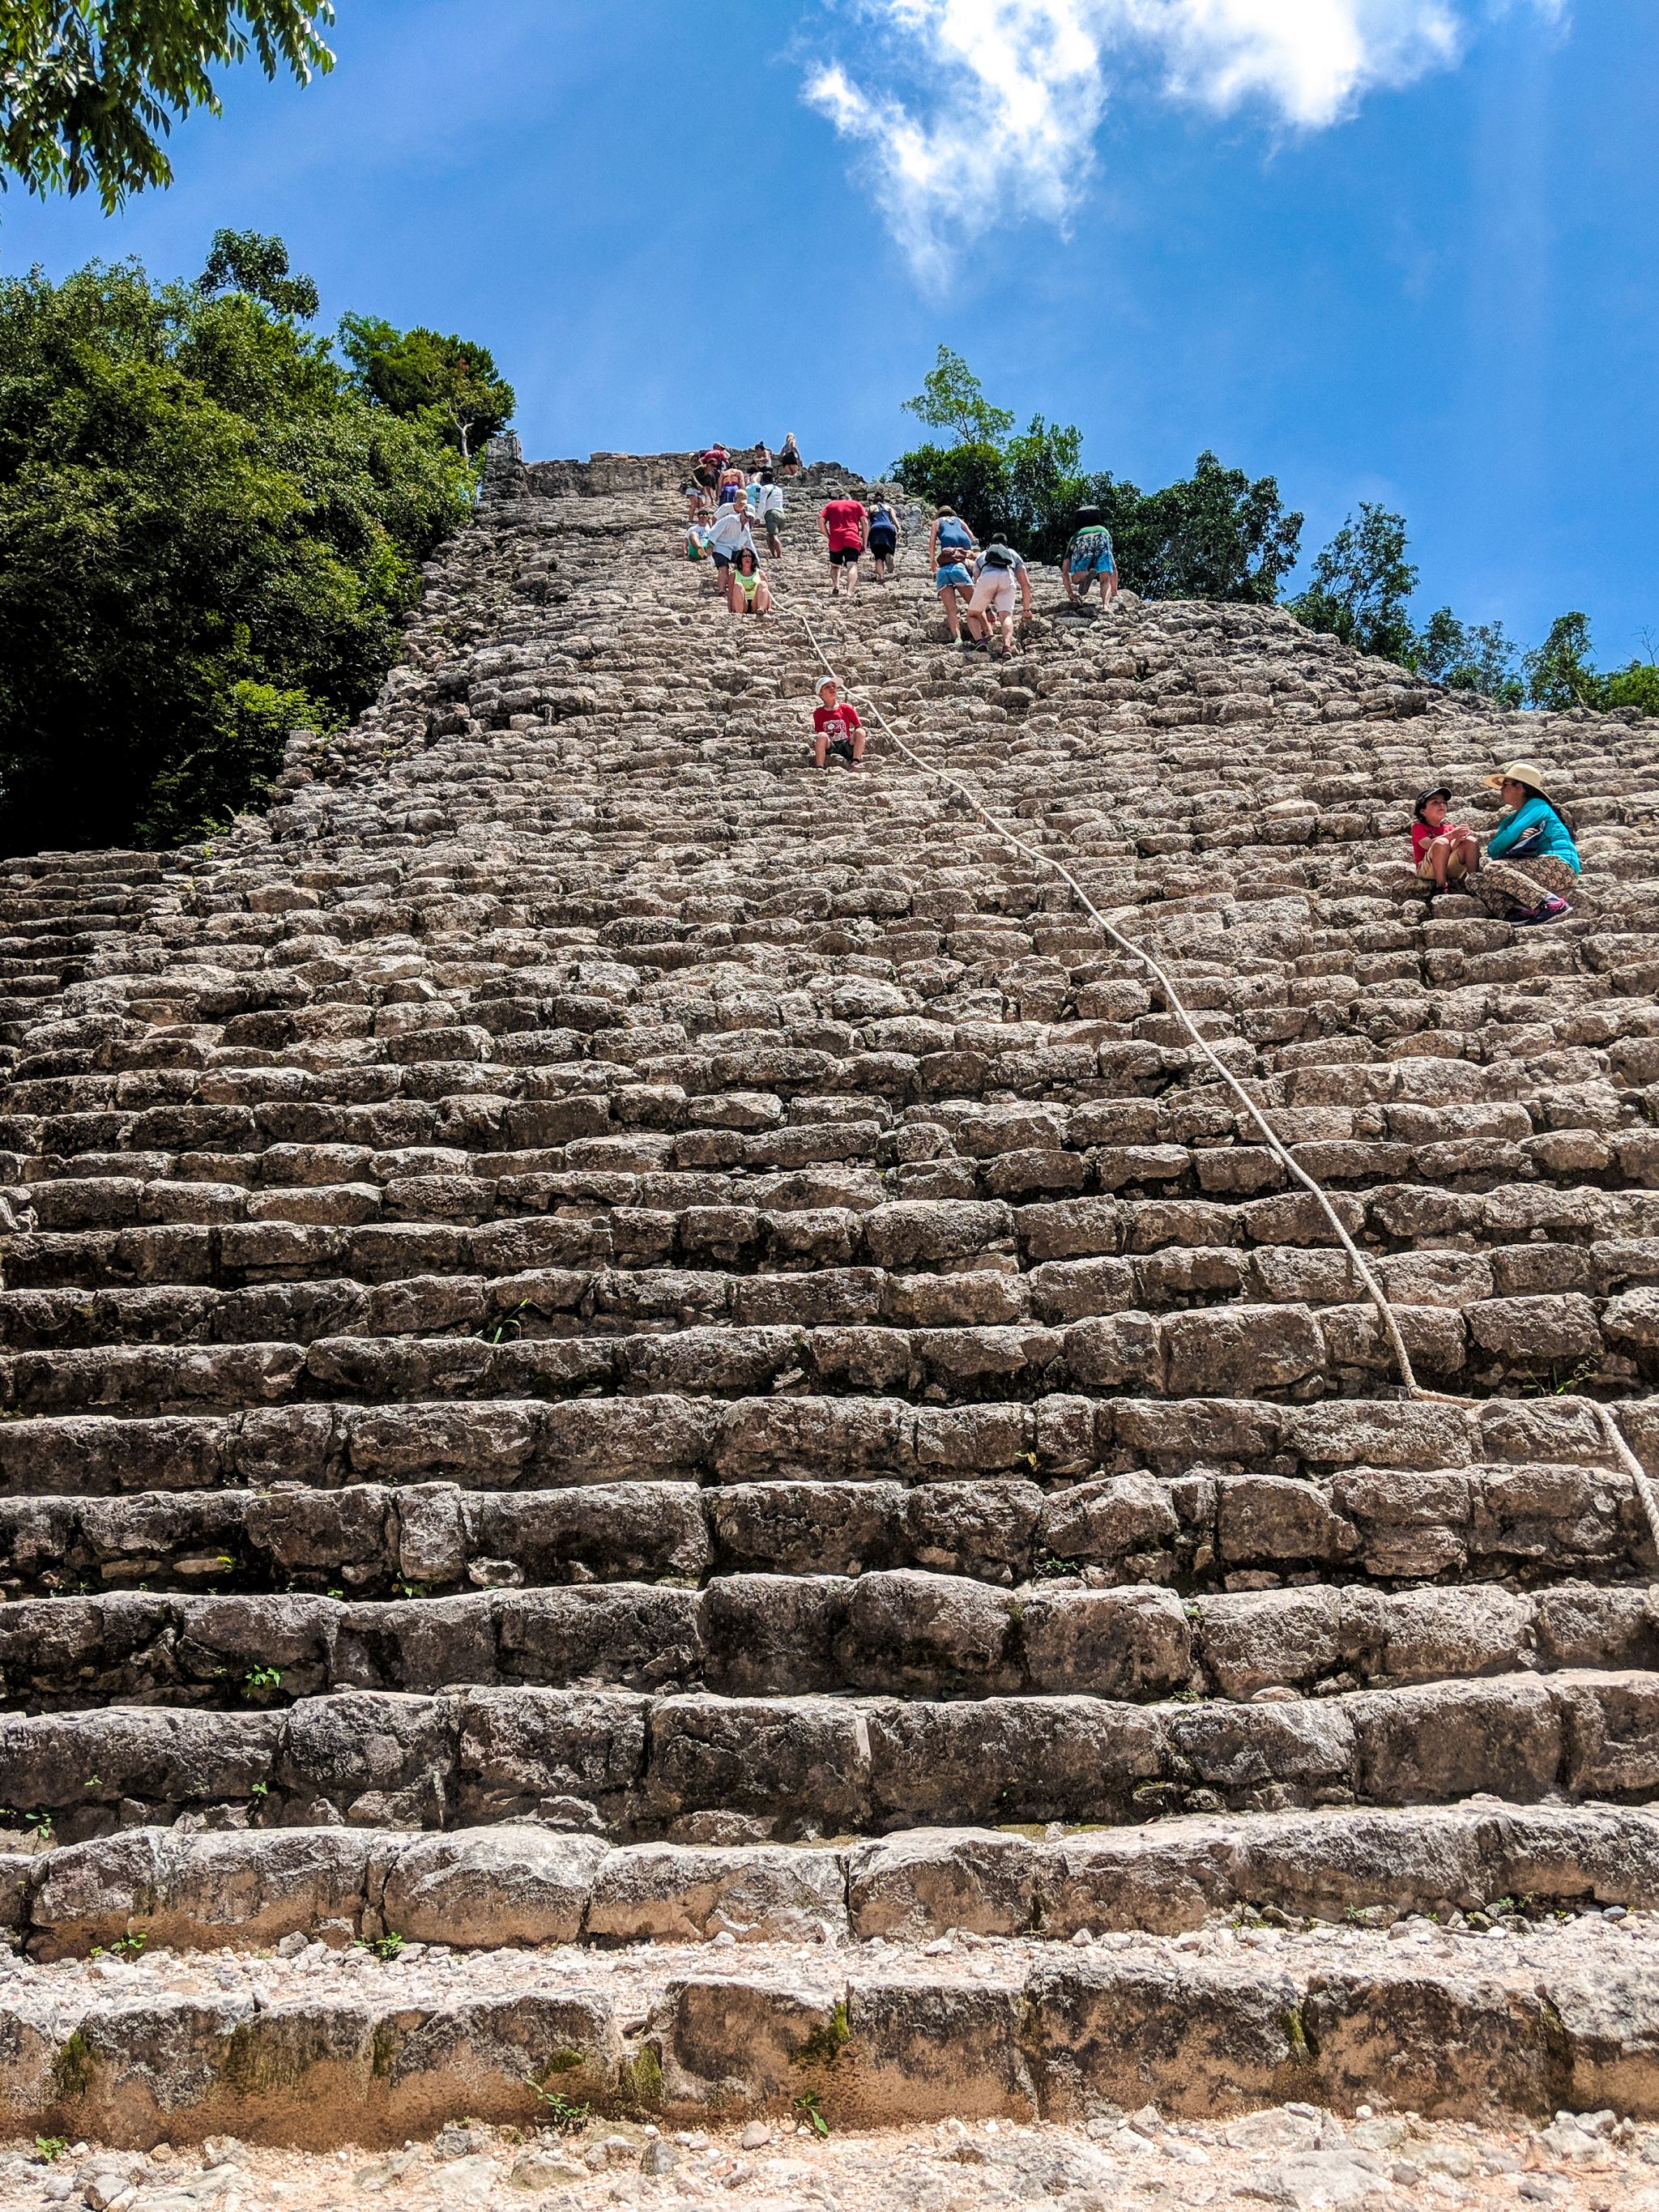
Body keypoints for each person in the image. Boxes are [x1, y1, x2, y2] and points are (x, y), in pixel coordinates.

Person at [1473, 761, 1580, 926]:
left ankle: (1549, 903)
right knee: (1475, 879)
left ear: (1520, 787)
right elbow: (1494, 850)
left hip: (1560, 866)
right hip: (1539, 866)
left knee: (1493, 868)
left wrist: (1513, 839)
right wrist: (1515, 839)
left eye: (1506, 784)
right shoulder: (1511, 819)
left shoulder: (1537, 806)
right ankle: (1515, 912)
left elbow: (1503, 842)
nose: (1501, 789)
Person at [966, 538, 1032, 657]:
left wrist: (987, 609)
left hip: (987, 577)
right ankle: (1006, 647)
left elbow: (977, 579)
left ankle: (980, 641)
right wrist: (1026, 609)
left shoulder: (982, 555)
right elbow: (1025, 583)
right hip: (1007, 578)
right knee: (1006, 616)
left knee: (972, 614)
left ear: (991, 544)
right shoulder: (1012, 553)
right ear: (1005, 544)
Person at [1410, 786, 1480, 894]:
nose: (1441, 805)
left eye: (1444, 802)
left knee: (1470, 841)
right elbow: (1427, 844)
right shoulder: (1418, 827)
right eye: (1435, 802)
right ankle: (1442, 886)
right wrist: (1452, 835)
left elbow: (1451, 848)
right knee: (1441, 842)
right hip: (1428, 871)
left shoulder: (1449, 828)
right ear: (1423, 811)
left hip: (1448, 867)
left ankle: (1474, 882)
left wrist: (1460, 838)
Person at [928, 506, 979, 641]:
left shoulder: (937, 522)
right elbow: (971, 536)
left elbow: (932, 541)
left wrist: (932, 560)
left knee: (951, 610)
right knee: (974, 601)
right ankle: (985, 630)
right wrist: (974, 551)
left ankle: (957, 638)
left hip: (948, 549)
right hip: (964, 549)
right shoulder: (959, 520)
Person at [1063, 505, 1119, 608]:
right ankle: (1106, 606)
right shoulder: (1104, 530)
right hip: (1102, 536)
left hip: (1081, 538)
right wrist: (1114, 592)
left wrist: (1070, 593)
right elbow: (1113, 565)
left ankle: (1087, 574)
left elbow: (1065, 571)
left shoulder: (1076, 535)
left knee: (1075, 578)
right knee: (1105, 578)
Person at [820, 488, 869, 599]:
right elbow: (865, 522)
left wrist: (828, 535)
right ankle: (849, 591)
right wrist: (865, 542)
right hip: (852, 538)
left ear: (839, 499)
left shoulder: (831, 505)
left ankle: (836, 586)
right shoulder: (856, 504)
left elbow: (821, 521)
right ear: (849, 498)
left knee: (835, 566)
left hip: (835, 539)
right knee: (852, 565)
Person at [811, 673, 864, 769]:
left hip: (846, 744)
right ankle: (820, 767)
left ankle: (856, 760)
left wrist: (854, 740)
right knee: (821, 736)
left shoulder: (846, 708)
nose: (832, 688)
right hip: (831, 745)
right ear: (821, 694)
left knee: (861, 732)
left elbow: (857, 726)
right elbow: (820, 732)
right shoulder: (818, 713)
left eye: (834, 686)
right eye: (827, 687)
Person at [705, 492, 754, 584]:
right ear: (735, 500)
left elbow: (747, 538)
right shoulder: (726, 508)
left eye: (744, 504)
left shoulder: (746, 515)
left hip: (734, 541)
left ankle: (735, 581)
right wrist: (712, 539)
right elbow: (714, 519)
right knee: (723, 565)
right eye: (740, 503)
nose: (742, 506)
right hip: (721, 538)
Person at [727, 544, 773, 617]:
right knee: (738, 585)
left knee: (763, 584)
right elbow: (730, 594)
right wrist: (730, 609)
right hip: (741, 602)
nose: (747, 558)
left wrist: (769, 607)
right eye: (744, 556)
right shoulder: (734, 574)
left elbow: (767, 592)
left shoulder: (760, 573)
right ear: (740, 559)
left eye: (749, 556)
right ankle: (739, 613)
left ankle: (761, 608)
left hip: (755, 602)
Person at [751, 470, 785, 560]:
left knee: (774, 535)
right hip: (781, 515)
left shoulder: (765, 488)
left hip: (771, 514)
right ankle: (774, 555)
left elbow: (762, 503)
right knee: (769, 536)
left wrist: (758, 517)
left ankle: (779, 555)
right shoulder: (779, 489)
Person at [866, 497, 902, 582]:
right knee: (888, 548)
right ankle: (889, 554)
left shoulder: (871, 508)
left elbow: (866, 521)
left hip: (875, 528)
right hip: (889, 528)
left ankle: (881, 577)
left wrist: (865, 536)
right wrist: (899, 528)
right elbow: (893, 518)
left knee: (878, 556)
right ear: (883, 501)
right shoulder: (889, 507)